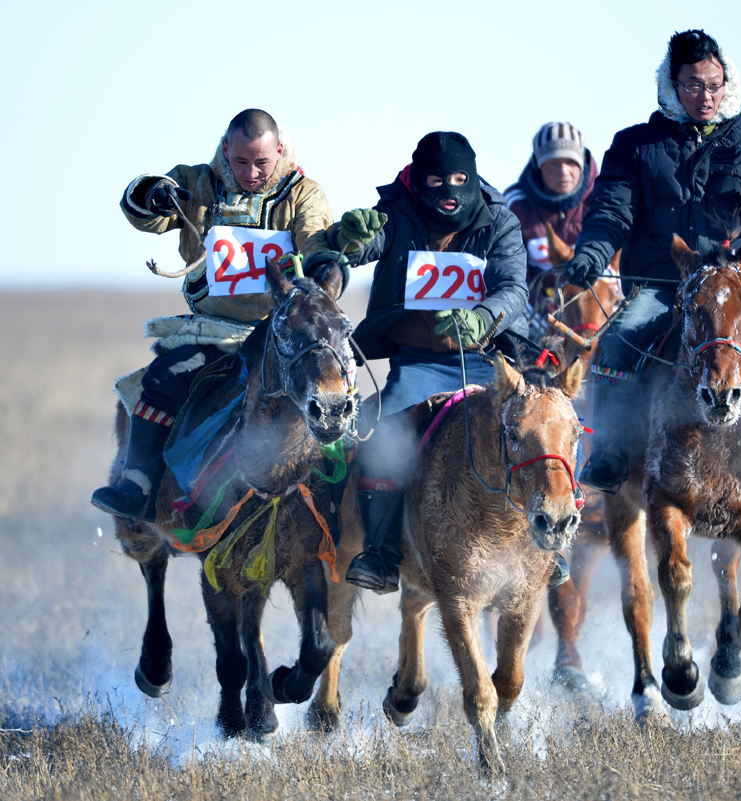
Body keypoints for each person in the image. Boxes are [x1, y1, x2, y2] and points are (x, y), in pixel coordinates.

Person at [307, 131, 570, 594]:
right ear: (417, 179)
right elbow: (352, 253)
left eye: (458, 179)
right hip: (419, 365)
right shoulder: (396, 213)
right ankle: (383, 552)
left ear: (471, 176)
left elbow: (512, 287)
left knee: (546, 428)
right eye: (435, 180)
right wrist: (346, 239)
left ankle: (551, 547)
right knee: (385, 435)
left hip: (493, 363)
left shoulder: (500, 222)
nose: (448, 192)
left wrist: (482, 317)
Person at [565, 29, 741, 493]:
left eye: (713, 84)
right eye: (693, 85)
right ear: (671, 84)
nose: (705, 95)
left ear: (727, 84)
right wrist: (591, 253)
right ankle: (609, 453)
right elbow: (610, 212)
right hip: (667, 282)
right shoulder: (635, 145)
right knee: (621, 340)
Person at [92, 109, 334, 521]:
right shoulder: (196, 183)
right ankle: (138, 484)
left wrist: (322, 266)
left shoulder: (304, 194)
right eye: (241, 162)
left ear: (280, 150)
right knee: (163, 378)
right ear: (225, 149)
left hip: (278, 334)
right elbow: (144, 215)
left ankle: (334, 506)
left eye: (262, 162)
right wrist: (152, 195)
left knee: (328, 394)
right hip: (211, 332)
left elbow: (315, 243)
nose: (252, 172)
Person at [505, 122, 601, 298]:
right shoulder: (515, 204)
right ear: (538, 165)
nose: (563, 171)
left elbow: (617, 271)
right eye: (554, 162)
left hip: (597, 306)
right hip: (537, 309)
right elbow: (510, 277)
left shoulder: (603, 199)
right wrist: (543, 317)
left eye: (571, 162)